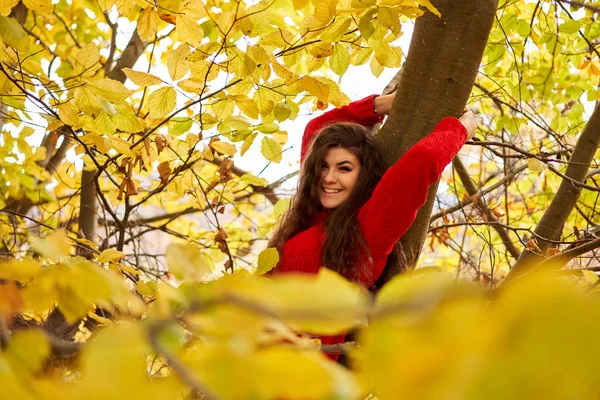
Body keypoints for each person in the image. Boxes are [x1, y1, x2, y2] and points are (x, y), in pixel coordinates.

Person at [268, 94, 477, 361]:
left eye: (344, 168)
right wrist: (382, 105)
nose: (329, 178)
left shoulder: (366, 229)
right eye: (323, 166)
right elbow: (315, 130)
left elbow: (421, 160)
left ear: (363, 176)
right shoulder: (310, 212)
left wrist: (460, 129)